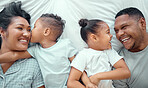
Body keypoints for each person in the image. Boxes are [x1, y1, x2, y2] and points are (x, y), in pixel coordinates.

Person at [0, 12, 78, 87]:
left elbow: (77, 65)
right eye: (20, 28)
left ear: (46, 31)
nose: (29, 33)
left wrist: (83, 81)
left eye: (34, 27)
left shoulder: (64, 45)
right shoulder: (36, 50)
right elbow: (14, 55)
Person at [67, 19, 131, 88]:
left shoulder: (109, 51)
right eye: (107, 32)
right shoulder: (83, 55)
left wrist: (98, 77)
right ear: (94, 38)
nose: (111, 35)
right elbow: (71, 82)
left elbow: (125, 72)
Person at [0, 1, 45, 88]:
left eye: (29, 30)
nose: (27, 34)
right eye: (20, 28)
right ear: (2, 31)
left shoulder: (33, 66)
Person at [113, 7, 148, 88]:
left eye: (124, 27)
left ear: (142, 23)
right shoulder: (119, 65)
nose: (119, 34)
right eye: (116, 31)